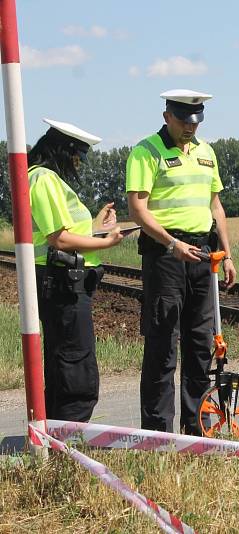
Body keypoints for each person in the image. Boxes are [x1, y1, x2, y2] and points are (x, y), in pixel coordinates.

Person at [126, 89, 237, 435]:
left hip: (202, 254)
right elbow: (138, 210)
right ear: (167, 117)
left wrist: (227, 253)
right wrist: (172, 243)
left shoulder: (207, 153)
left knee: (201, 343)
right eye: (184, 121)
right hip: (165, 255)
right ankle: (158, 433)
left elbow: (215, 206)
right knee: (162, 344)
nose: (191, 128)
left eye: (196, 121)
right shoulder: (146, 152)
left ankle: (198, 428)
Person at [29, 118, 124, 422]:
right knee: (75, 368)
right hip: (62, 283)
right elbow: (58, 238)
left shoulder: (47, 179)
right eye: (76, 157)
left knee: (65, 363)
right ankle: (69, 441)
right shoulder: (43, 179)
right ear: (62, 150)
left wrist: (96, 227)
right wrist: (107, 243)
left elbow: (68, 231)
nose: (79, 165)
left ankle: (58, 436)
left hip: (64, 281)